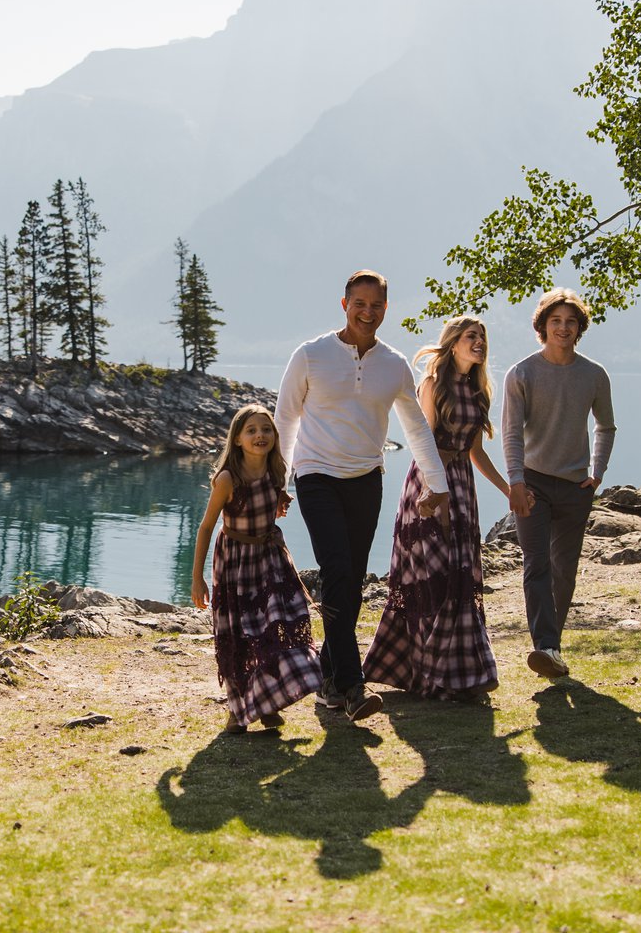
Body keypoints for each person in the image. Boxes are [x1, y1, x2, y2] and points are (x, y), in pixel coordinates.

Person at [275, 270, 449, 721]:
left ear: (386, 310)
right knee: (336, 571)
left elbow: (416, 428)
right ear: (344, 304)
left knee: (350, 580)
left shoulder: (393, 364)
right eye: (359, 304)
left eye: (376, 306)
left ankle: (327, 676)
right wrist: (276, 483)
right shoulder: (311, 355)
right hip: (315, 477)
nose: (367, 312)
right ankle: (353, 687)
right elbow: (285, 420)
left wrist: (439, 485)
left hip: (366, 479)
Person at [362, 315, 511, 701]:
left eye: (482, 336)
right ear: (453, 343)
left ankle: (462, 675)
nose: (478, 341)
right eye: (470, 336)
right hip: (429, 485)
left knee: (459, 577)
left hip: (462, 486)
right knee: (430, 578)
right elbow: (420, 440)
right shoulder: (433, 385)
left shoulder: (479, 393)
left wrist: (507, 490)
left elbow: (475, 451)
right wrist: (434, 492)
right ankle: (430, 676)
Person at [190, 404, 325, 733]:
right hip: (236, 565)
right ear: (236, 439)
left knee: (283, 626)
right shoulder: (227, 479)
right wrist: (197, 579)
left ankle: (269, 702)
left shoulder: (276, 471)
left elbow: (275, 496)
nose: (259, 435)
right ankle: (238, 712)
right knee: (241, 636)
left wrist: (282, 497)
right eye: (251, 430)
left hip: (271, 561)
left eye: (266, 429)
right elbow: (207, 527)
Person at [502, 287, 615, 682]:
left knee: (564, 568)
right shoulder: (522, 373)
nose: (563, 328)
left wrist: (597, 471)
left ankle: (553, 646)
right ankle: (545, 646)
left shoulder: (594, 374)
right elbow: (511, 433)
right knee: (536, 565)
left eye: (570, 322)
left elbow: (605, 426)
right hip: (532, 482)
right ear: (543, 326)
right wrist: (515, 481)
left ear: (579, 328)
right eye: (556, 322)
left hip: (574, 486)